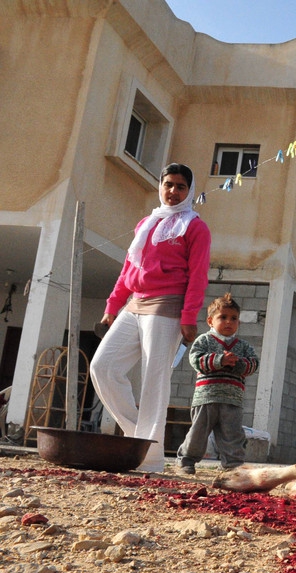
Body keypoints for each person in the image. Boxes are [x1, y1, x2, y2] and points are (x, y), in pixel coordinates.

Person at [90, 163, 211, 472]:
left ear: (189, 191)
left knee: (154, 380)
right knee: (102, 367)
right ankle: (136, 436)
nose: (173, 191)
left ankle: (150, 459)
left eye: (180, 187)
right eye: (168, 184)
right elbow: (128, 269)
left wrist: (188, 317)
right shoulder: (147, 222)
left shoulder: (195, 227)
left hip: (167, 306)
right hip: (134, 303)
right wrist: (111, 307)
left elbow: (198, 276)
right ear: (160, 186)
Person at [175, 293, 260, 474]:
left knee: (233, 435)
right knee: (198, 433)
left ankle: (233, 465)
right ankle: (186, 461)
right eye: (223, 317)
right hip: (206, 397)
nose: (229, 322)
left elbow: (253, 364)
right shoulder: (204, 340)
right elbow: (195, 359)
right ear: (210, 321)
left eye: (234, 318)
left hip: (232, 400)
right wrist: (219, 360)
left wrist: (238, 364)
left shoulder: (243, 346)